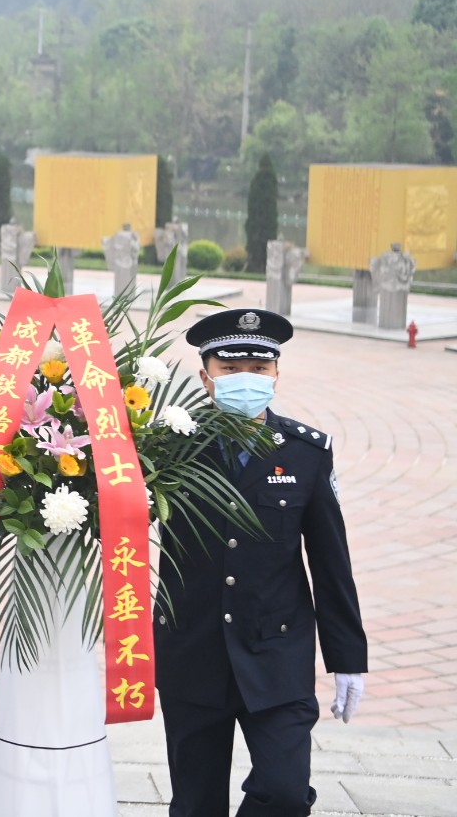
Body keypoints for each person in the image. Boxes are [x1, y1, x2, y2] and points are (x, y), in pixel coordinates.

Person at [159, 309, 368, 817]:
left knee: (286, 790)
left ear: (276, 374)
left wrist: (347, 659)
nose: (245, 379)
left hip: (277, 653)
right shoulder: (167, 449)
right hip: (194, 651)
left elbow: (330, 561)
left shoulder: (305, 452)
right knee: (195, 804)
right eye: (230, 369)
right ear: (205, 375)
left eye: (258, 367)